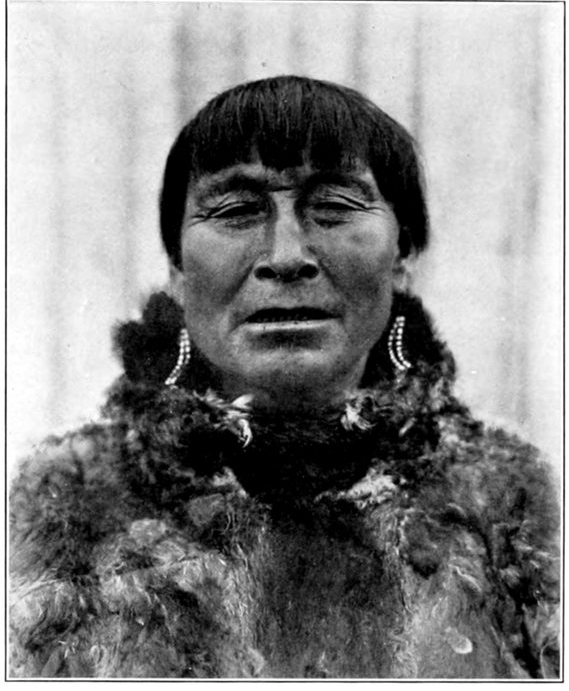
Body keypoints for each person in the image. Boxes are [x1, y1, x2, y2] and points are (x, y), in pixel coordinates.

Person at [10, 75, 559, 679]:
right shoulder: (59, 506)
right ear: (177, 270)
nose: (287, 257)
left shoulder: (516, 508)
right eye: (236, 212)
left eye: (334, 208)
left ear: (401, 255)